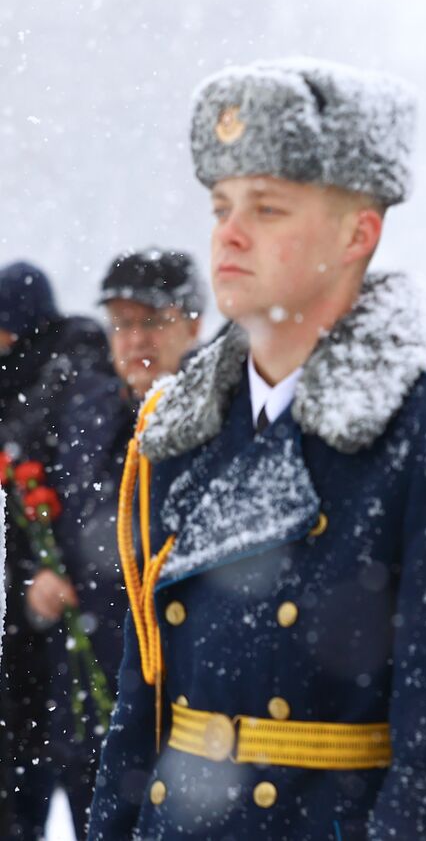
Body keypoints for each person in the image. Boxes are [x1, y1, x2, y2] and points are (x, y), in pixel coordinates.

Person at [87, 57, 426, 841]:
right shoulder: (180, 424)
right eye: (221, 205)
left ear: (356, 233)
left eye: (268, 208)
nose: (229, 234)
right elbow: (143, 715)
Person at [23, 249, 203, 837]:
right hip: (86, 696)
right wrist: (36, 577)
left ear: (194, 323)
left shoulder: (221, 415)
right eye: (121, 323)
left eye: (152, 320)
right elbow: (37, 508)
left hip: (184, 714)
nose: (134, 339)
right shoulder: (87, 410)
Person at [0, 260, 112, 840]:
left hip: (71, 626)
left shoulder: (73, 387)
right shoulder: (35, 384)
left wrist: (62, 575)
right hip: (36, 625)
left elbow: (87, 500)